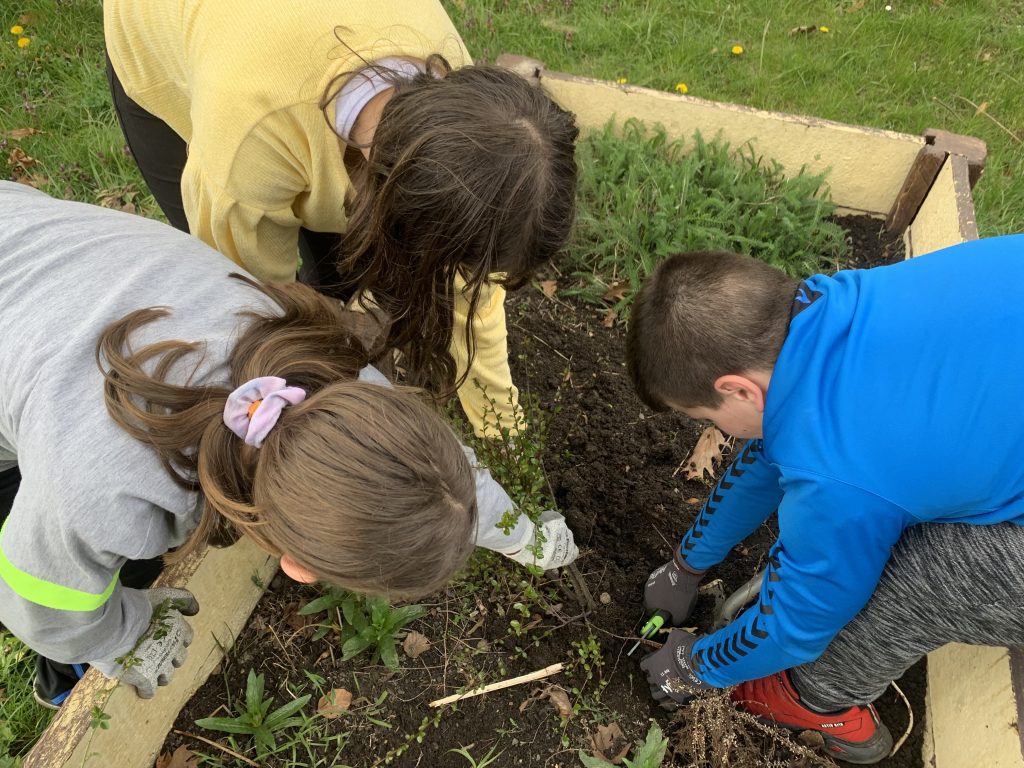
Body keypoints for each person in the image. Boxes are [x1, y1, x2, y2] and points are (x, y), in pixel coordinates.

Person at [0, 182, 576, 709]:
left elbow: (443, 479)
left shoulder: (310, 374)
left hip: (29, 245)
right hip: (40, 326)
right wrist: (123, 637)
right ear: (297, 568)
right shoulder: (104, 494)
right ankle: (66, 677)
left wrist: (522, 535)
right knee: (87, 568)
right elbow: (37, 596)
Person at [102, 0, 580, 441]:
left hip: (291, 76)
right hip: (164, 40)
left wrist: (505, 435)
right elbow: (250, 305)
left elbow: (471, 305)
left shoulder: (469, 121)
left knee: (336, 279)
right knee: (264, 315)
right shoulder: (248, 145)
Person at [626, 245, 1024, 764]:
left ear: (738, 390)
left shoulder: (839, 476)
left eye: (707, 416)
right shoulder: (838, 307)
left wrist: (696, 666)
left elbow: (797, 622)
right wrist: (687, 564)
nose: (716, 431)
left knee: (930, 566)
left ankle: (815, 698)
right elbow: (778, 445)